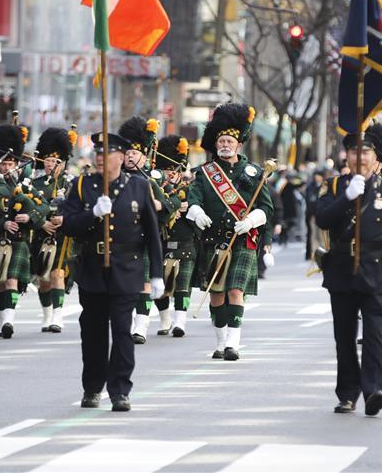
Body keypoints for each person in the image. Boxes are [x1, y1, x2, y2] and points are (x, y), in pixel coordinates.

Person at [316, 121, 382, 416]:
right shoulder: (334, 186)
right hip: (342, 270)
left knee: (374, 333)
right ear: (346, 155)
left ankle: (374, 390)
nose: (360, 157)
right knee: (344, 337)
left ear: (376, 158)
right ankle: (348, 393)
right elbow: (322, 219)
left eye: (366, 152)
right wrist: (346, 199)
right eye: (354, 151)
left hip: (376, 270)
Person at [60, 131, 164, 412]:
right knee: (92, 333)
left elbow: (152, 233)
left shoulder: (139, 187)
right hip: (92, 270)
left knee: (121, 332)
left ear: (121, 156)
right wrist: (91, 214)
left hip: (127, 269)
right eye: (99, 154)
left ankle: (120, 390)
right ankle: (92, 388)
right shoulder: (83, 184)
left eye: (108, 154)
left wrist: (156, 272)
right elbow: (68, 224)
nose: (102, 159)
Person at [187, 103, 273, 361]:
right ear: (216, 144)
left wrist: (253, 220)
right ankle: (220, 340)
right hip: (214, 240)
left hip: (244, 239)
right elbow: (194, 199)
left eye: (229, 141)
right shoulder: (204, 173)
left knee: (236, 291)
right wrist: (196, 212)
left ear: (238, 145)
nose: (225, 144)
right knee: (217, 294)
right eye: (221, 140)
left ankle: (233, 344)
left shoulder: (255, 172)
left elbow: (267, 207)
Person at [0, 123, 48, 339]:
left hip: (18, 239)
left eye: (11, 163)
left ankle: (9, 322)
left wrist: (29, 217)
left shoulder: (24, 185)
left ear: (17, 164)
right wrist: (2, 224)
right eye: (4, 164)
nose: (7, 168)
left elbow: (42, 205)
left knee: (12, 281)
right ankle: (3, 321)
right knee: (0, 282)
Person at [117, 116, 174, 342]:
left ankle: (140, 327)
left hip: (145, 238)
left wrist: (159, 205)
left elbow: (171, 203)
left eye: (135, 154)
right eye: (127, 153)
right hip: (121, 239)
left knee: (144, 284)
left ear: (144, 156)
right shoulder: (115, 179)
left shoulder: (151, 180)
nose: (130, 157)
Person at [31, 127, 77, 333]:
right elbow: (27, 208)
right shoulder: (34, 184)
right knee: (44, 279)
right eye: (48, 160)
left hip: (63, 235)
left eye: (56, 161)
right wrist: (42, 222)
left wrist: (63, 219)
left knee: (58, 274)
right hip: (42, 234)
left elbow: (78, 209)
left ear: (64, 162)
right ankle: (47, 314)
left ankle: (58, 316)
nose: (51, 164)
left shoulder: (72, 184)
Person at [154, 135, 197, 337]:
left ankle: (180, 321)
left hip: (184, 242)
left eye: (173, 170)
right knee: (159, 284)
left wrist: (190, 209)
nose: (169, 174)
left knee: (183, 286)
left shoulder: (191, 190)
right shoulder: (155, 189)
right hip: (161, 242)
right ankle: (165, 319)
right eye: (166, 170)